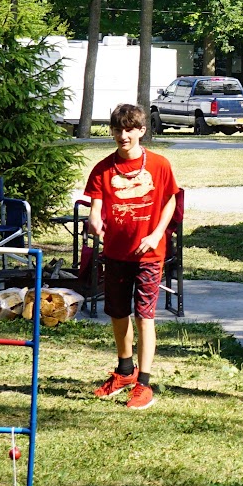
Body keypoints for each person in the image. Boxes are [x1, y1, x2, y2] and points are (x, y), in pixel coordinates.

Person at [83, 103, 180, 409]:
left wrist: (155, 236)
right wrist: (95, 220)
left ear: (141, 131)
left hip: (150, 256)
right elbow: (96, 206)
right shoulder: (103, 168)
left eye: (129, 130)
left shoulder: (160, 165)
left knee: (144, 316)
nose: (123, 136)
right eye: (117, 130)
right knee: (117, 313)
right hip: (115, 253)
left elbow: (170, 202)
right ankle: (125, 371)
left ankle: (144, 383)